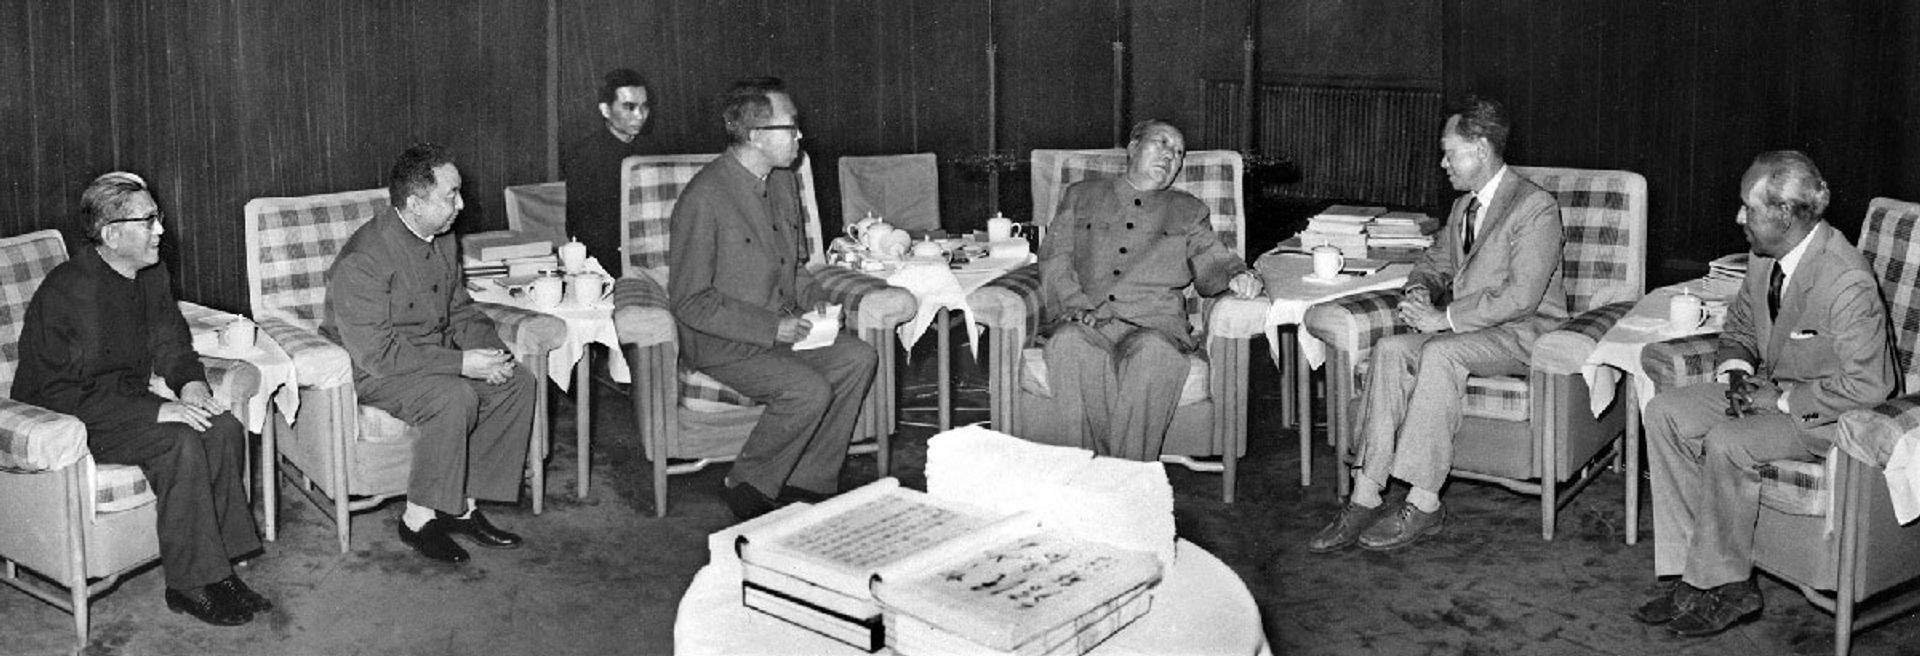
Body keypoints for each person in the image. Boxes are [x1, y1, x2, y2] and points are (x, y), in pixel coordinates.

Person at [1633, 151, 1892, 637]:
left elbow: (1869, 385)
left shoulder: (1846, 281)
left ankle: (1728, 586)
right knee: (1665, 411)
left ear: (1786, 215)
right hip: (1766, 390)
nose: (1738, 218)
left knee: (1732, 441)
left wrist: (1785, 402)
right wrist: (1734, 372)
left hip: (1829, 415)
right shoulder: (1761, 258)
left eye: (1747, 209)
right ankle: (1694, 573)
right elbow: (1742, 328)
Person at [1307, 96, 1566, 553]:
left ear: (1481, 149)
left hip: (1527, 334)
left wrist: (1443, 318)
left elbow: (1522, 297)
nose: (1443, 162)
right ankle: (1366, 495)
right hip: (1474, 332)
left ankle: (1425, 504)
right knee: (1390, 349)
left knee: (1438, 351)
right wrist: (1420, 290)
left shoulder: (1534, 207)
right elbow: (1435, 260)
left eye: (1450, 152)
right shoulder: (1464, 206)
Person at [13, 172, 271, 625]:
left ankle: (222, 569)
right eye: (149, 220)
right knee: (179, 442)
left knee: (225, 426)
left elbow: (171, 341)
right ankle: (189, 585)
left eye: (159, 217)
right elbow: (56, 394)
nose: (161, 230)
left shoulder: (151, 274)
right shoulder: (66, 292)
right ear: (112, 235)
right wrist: (158, 410)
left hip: (126, 404)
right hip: (69, 416)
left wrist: (190, 383)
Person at [668, 77, 877, 521]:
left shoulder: (782, 182)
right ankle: (745, 484)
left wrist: (818, 300)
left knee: (858, 357)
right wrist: (770, 328)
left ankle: (809, 480)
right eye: (791, 127)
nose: (800, 136)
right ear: (757, 136)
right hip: (726, 343)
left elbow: (796, 268)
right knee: (807, 389)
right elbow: (689, 301)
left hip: (784, 328)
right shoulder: (703, 198)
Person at [324, 143, 538, 564]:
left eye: (459, 193)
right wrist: (462, 365)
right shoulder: (364, 258)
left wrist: (489, 354)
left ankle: (460, 504)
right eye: (450, 196)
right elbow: (377, 354)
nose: (461, 205)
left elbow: (459, 308)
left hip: (430, 359)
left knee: (517, 382)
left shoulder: (441, 237)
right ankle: (418, 518)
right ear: (414, 203)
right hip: (375, 371)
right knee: (454, 396)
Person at [1037, 119, 1264, 460]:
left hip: (1155, 327)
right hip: (1087, 321)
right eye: (1162, 143)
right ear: (1132, 147)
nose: (1171, 156)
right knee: (1067, 344)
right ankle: (1096, 477)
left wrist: (1240, 275)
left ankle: (1119, 477)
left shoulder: (1187, 210)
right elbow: (1055, 257)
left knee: (1155, 356)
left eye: (1178, 152)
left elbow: (1212, 259)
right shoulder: (1082, 195)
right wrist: (1073, 303)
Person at [563, 68, 652, 277]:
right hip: (607, 267)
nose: (640, 115)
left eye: (644, 107)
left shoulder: (656, 150)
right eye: (629, 107)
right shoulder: (584, 156)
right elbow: (581, 230)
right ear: (605, 109)